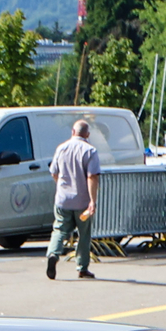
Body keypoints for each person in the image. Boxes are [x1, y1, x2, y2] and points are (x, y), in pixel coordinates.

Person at [45, 117, 101, 281]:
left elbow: (54, 172)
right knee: (84, 234)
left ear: (72, 132)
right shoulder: (90, 151)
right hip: (82, 201)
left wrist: (62, 187)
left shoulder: (61, 148)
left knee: (59, 229)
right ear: (87, 135)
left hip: (62, 199)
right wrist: (92, 200)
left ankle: (53, 254)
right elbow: (92, 177)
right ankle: (82, 267)